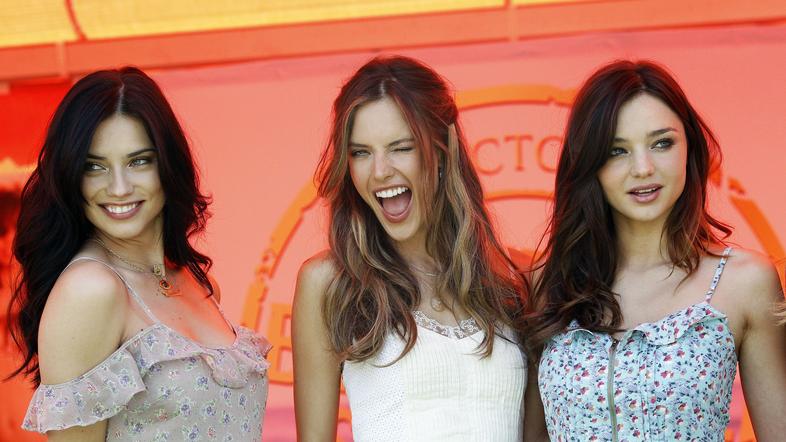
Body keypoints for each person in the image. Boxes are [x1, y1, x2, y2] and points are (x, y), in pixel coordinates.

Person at [525, 60, 786, 441]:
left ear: (689, 148)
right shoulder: (548, 284)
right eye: (617, 151)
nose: (643, 168)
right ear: (590, 164)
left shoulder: (744, 283)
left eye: (662, 143)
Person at [9, 67, 271, 441]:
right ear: (71, 176)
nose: (118, 187)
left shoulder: (198, 283)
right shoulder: (89, 291)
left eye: (138, 161)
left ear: (168, 164)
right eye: (94, 167)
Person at [292, 55, 527, 441]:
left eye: (400, 147)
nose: (380, 171)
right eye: (361, 152)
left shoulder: (514, 277)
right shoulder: (328, 283)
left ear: (443, 149)